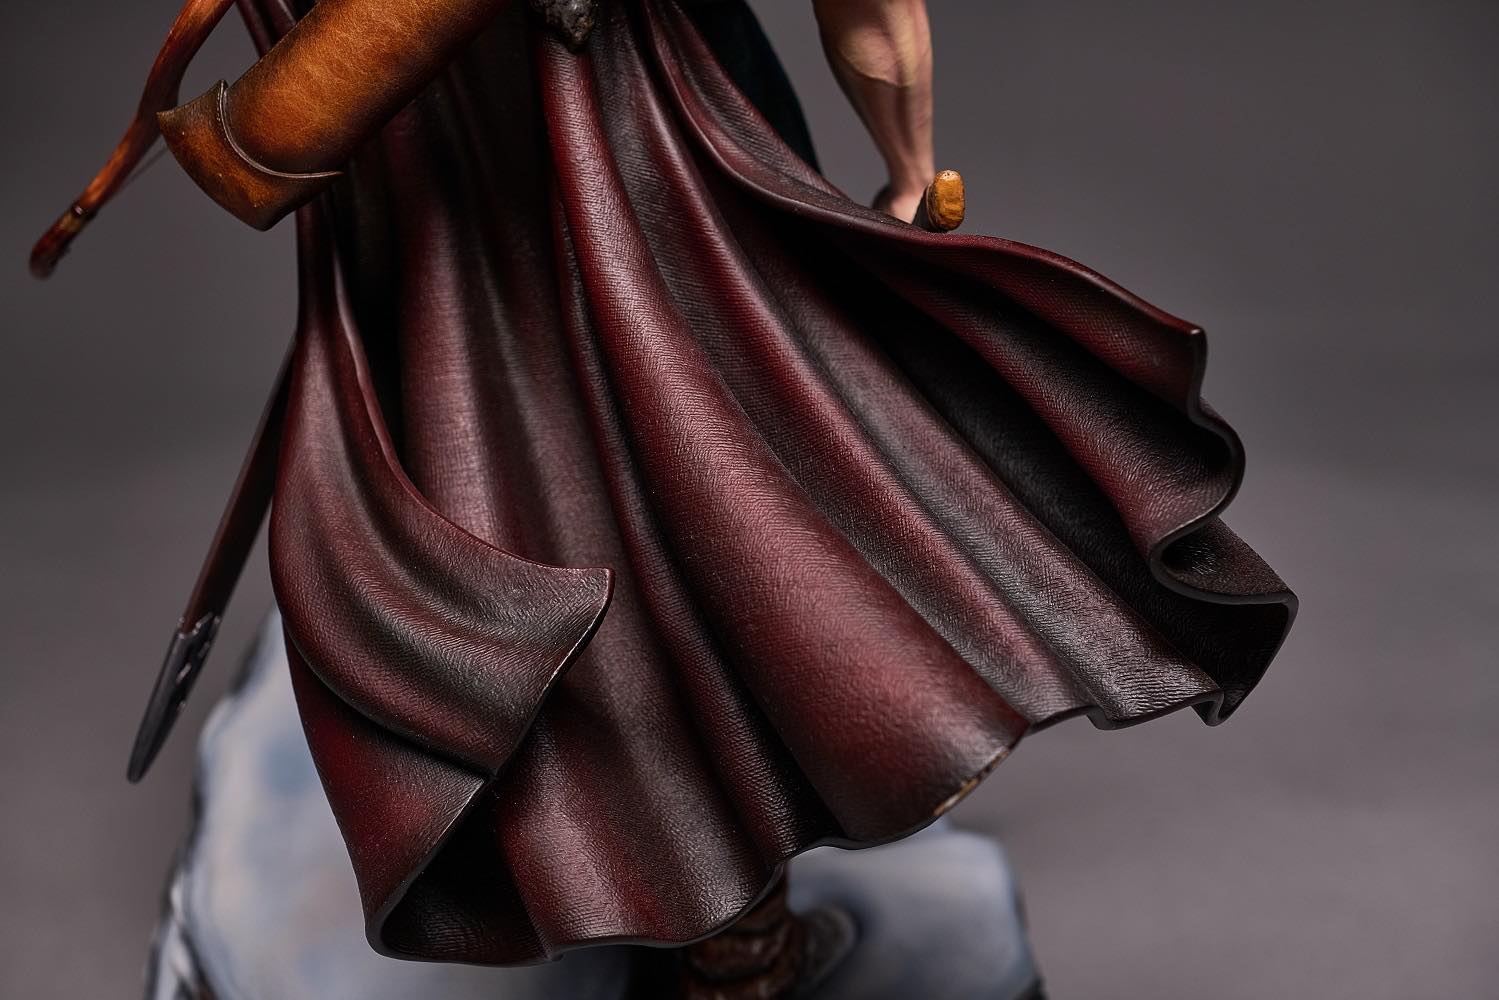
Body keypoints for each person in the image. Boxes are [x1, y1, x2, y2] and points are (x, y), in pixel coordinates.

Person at [34, 1, 1296, 997]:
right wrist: (908, 166)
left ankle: (715, 920)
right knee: (680, 507)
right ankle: (714, 924)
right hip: (542, 196)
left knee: (656, 511)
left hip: (514, 197)